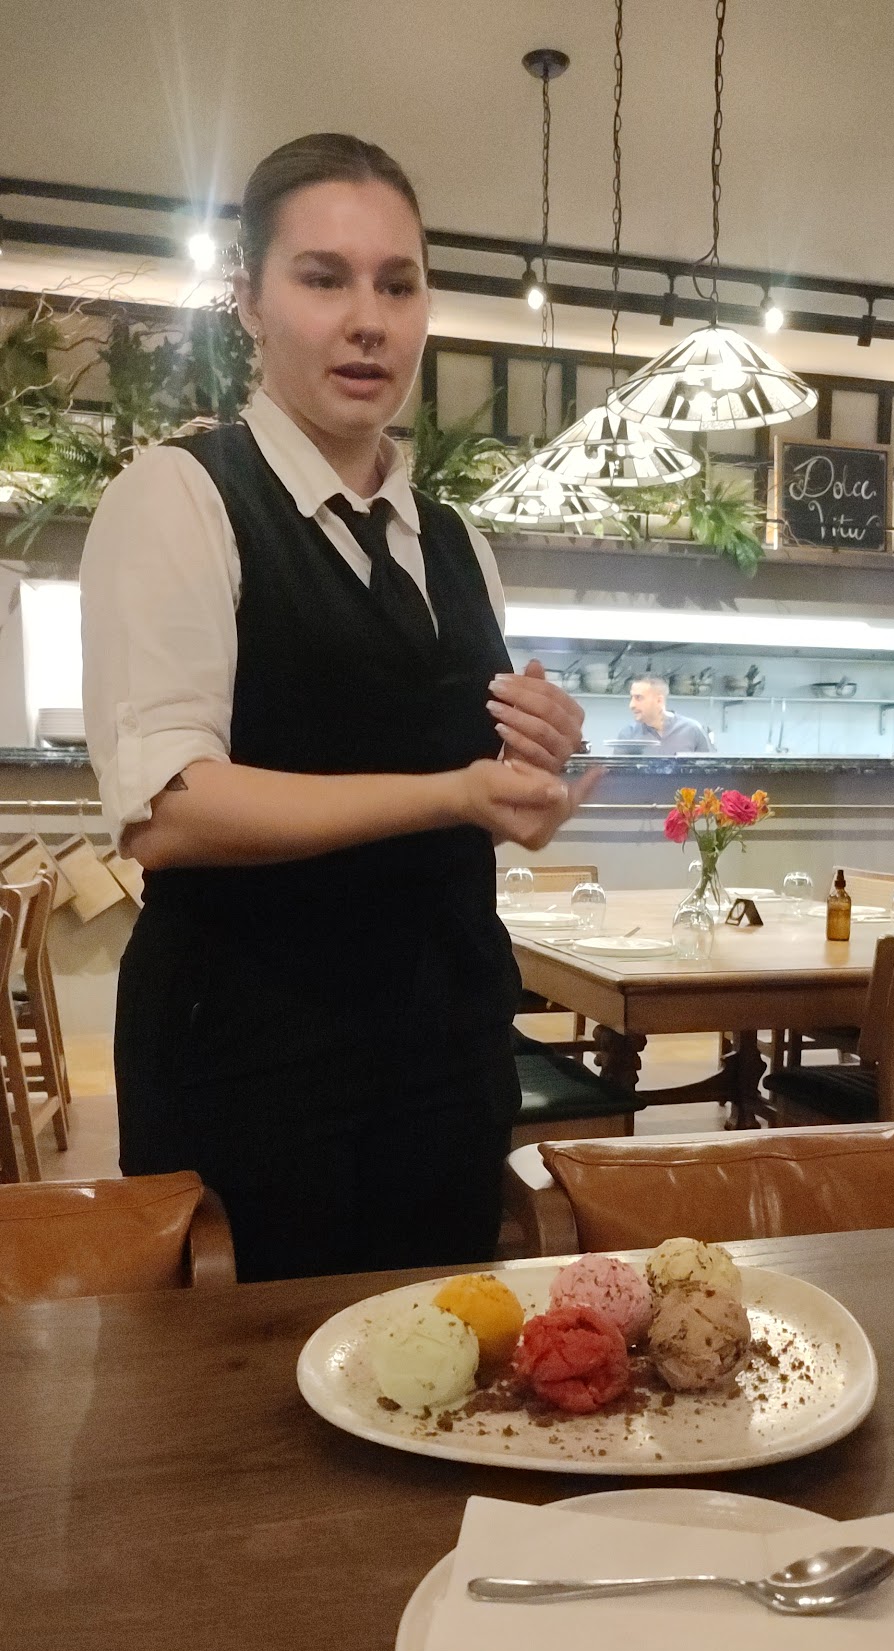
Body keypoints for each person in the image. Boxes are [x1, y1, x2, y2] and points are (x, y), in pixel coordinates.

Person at [81, 132, 598, 1283]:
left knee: (442, 1359)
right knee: (245, 1380)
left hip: (448, 1050)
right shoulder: (182, 497)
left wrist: (531, 773)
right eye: (324, 279)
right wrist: (452, 793)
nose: (368, 320)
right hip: (250, 1057)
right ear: (250, 302)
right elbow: (171, 809)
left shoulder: (454, 543)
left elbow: (463, 789)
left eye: (397, 285)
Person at [616, 675, 712, 754]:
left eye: (638, 698)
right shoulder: (628, 735)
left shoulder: (692, 730)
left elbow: (710, 768)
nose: (632, 705)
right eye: (631, 698)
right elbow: (617, 771)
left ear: (659, 700)